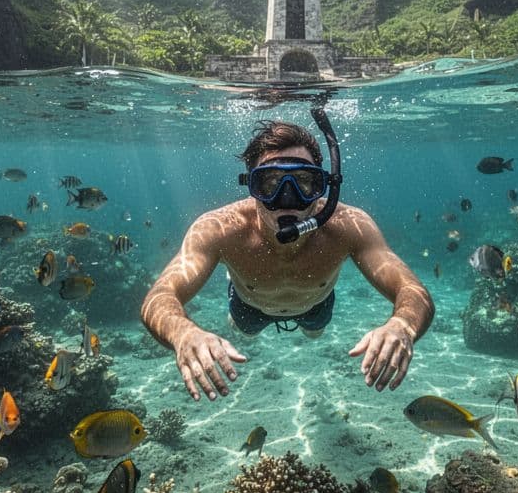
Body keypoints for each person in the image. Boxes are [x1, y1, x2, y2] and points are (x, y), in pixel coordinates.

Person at [141, 117, 434, 402]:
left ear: (323, 186)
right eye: (270, 184)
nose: (287, 198)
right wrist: (184, 334)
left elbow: (412, 290)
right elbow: (161, 295)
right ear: (251, 187)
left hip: (316, 304)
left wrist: (402, 325)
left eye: (304, 183)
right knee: (244, 331)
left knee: (315, 333)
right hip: (249, 307)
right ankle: (237, 291)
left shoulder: (348, 225)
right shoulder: (219, 229)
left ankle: (306, 322)